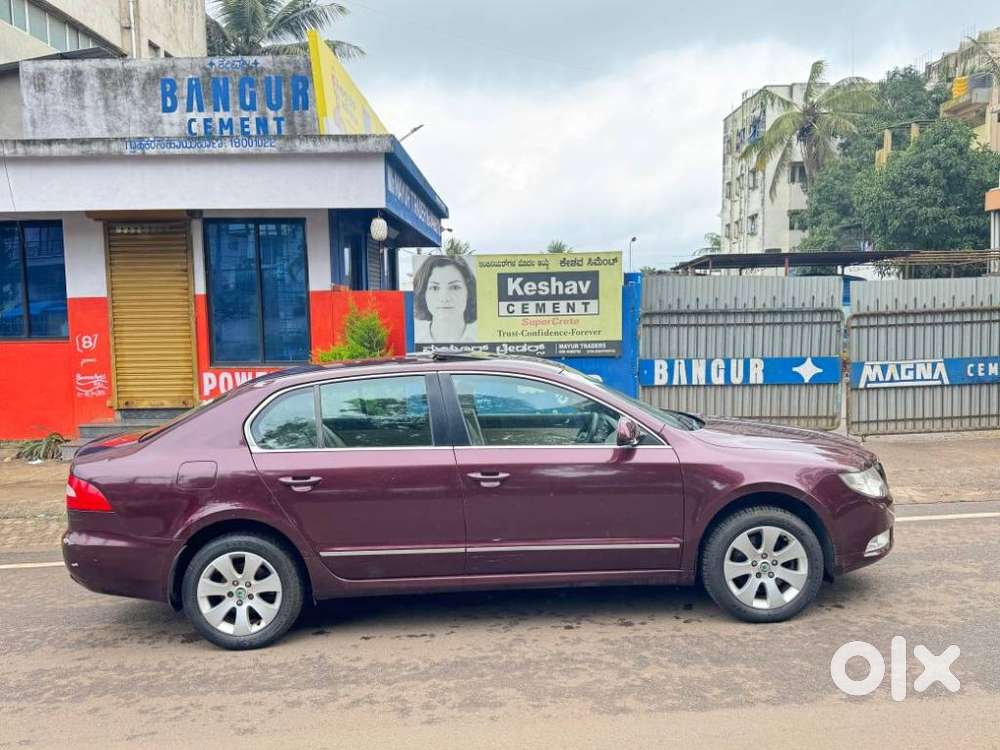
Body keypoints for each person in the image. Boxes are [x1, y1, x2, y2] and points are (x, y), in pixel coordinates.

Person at [413, 255, 478, 343]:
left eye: (455, 287)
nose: (444, 298)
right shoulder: (415, 341)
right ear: (423, 294)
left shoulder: (481, 337)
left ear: (469, 292)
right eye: (435, 288)